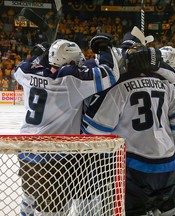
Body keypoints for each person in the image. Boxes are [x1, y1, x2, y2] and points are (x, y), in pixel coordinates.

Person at [81, 38, 175, 215]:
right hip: (169, 165)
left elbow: (94, 130)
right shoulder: (166, 85)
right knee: (169, 211)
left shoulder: (118, 89)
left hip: (135, 168)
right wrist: (172, 147)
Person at [14, 36, 120, 215]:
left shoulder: (26, 73)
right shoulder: (69, 80)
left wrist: (39, 56)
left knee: (29, 201)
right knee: (50, 211)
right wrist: (104, 49)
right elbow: (110, 74)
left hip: (26, 153)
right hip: (53, 161)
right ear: (71, 61)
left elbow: (23, 67)